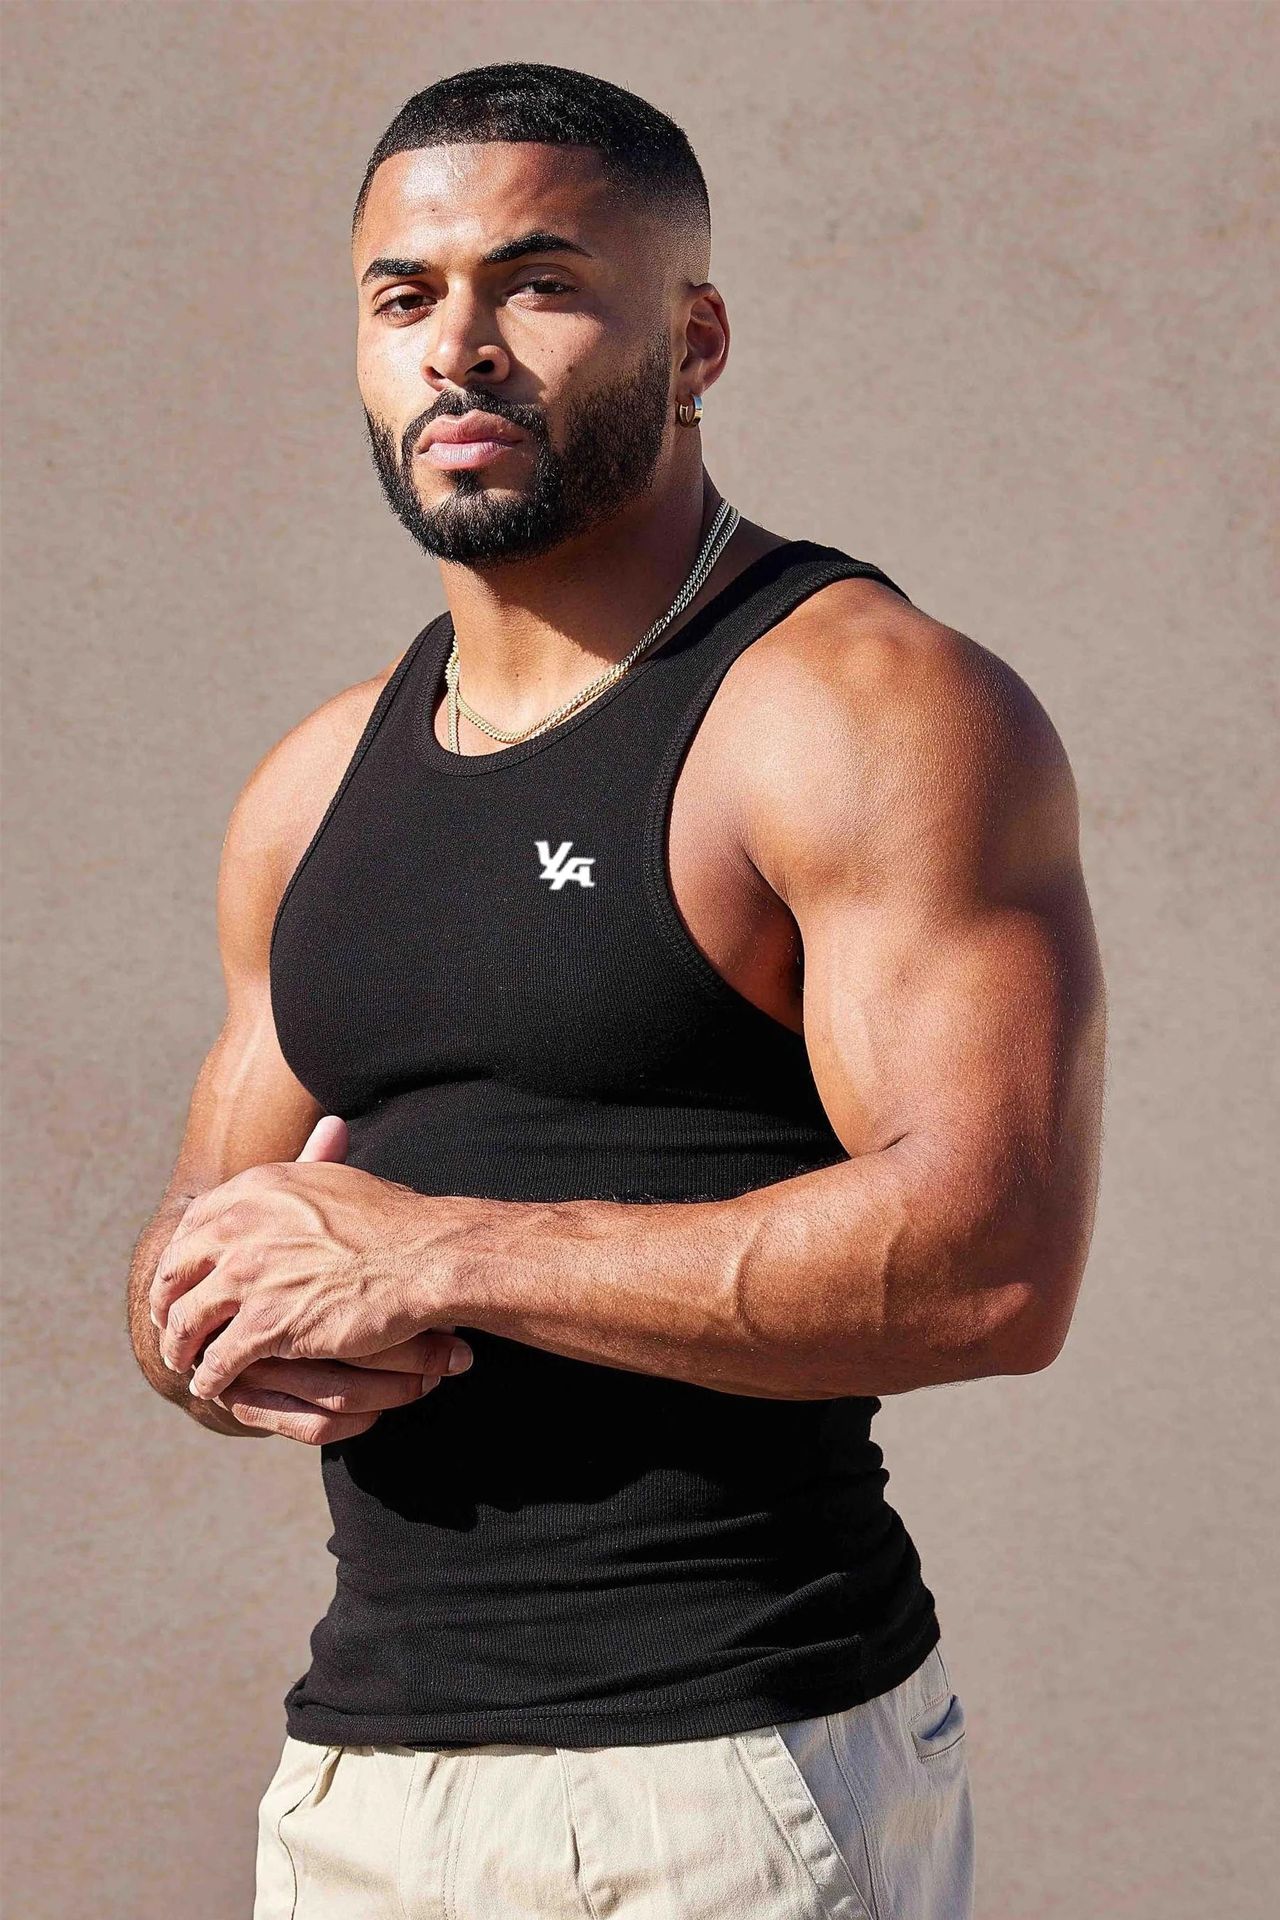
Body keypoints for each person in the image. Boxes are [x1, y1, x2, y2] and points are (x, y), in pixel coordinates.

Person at [127, 60, 1106, 1920]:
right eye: (405, 299)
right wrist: (223, 1338)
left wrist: (438, 1257)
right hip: (355, 1782)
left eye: (541, 284)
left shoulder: (859, 706)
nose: (460, 350)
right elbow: (197, 1261)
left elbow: (993, 1262)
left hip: (720, 1772)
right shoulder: (315, 782)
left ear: (695, 339)